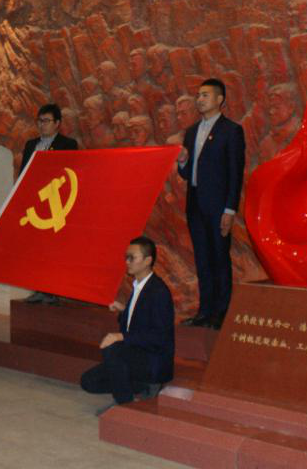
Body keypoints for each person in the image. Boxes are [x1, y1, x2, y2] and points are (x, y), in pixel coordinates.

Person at [176, 78, 246, 329]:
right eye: (198, 95)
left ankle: (221, 314)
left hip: (218, 207)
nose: (200, 99)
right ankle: (204, 312)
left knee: (219, 258)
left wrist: (229, 209)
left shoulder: (231, 131)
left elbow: (235, 173)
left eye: (205, 95)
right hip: (195, 204)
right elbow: (187, 174)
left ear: (220, 99)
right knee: (203, 259)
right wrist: (183, 161)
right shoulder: (191, 131)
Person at [80, 236, 175, 411]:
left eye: (132, 257)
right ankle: (139, 386)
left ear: (148, 261)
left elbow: (159, 337)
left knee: (112, 348)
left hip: (151, 359)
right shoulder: (138, 285)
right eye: (126, 257)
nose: (127, 261)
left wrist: (120, 336)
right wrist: (125, 310)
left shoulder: (159, 291)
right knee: (88, 381)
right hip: (134, 354)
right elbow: (141, 320)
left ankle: (125, 403)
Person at [20, 103, 79, 304]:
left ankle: (53, 291)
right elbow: (24, 174)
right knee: (36, 249)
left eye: (46, 121)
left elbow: (70, 172)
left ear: (57, 123)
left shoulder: (67, 144)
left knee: (54, 249)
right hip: (36, 204)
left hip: (57, 203)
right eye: (40, 121)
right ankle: (39, 288)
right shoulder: (31, 145)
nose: (42, 125)